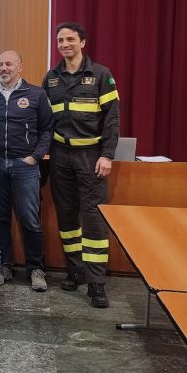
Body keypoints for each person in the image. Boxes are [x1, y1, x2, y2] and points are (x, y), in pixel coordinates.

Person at [43, 22, 120, 308]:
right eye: (60, 40)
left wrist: (107, 154)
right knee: (67, 216)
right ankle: (74, 270)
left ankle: (96, 281)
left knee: (93, 218)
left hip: (91, 156)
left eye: (70, 39)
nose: (64, 44)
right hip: (60, 155)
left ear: (82, 42)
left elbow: (112, 119)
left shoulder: (101, 75)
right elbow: (44, 120)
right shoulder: (51, 78)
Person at [0, 51, 53, 291]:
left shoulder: (36, 94)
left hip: (25, 165)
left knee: (30, 219)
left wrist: (35, 157)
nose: (4, 68)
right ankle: (3, 265)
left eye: (9, 64)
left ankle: (36, 269)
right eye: (0, 64)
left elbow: (48, 129)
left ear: (21, 66)